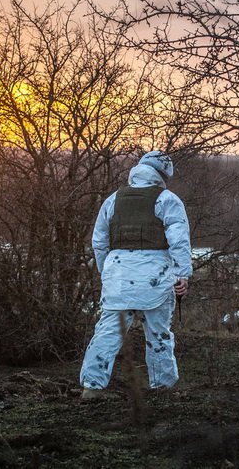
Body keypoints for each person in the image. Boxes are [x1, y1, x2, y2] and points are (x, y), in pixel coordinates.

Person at [79, 151, 192, 398]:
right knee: (159, 335)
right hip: (157, 279)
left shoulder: (112, 200)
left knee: (108, 332)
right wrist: (183, 274)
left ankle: (91, 387)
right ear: (164, 176)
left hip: (118, 276)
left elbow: (99, 242)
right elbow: (179, 241)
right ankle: (163, 387)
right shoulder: (167, 200)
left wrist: (107, 272)